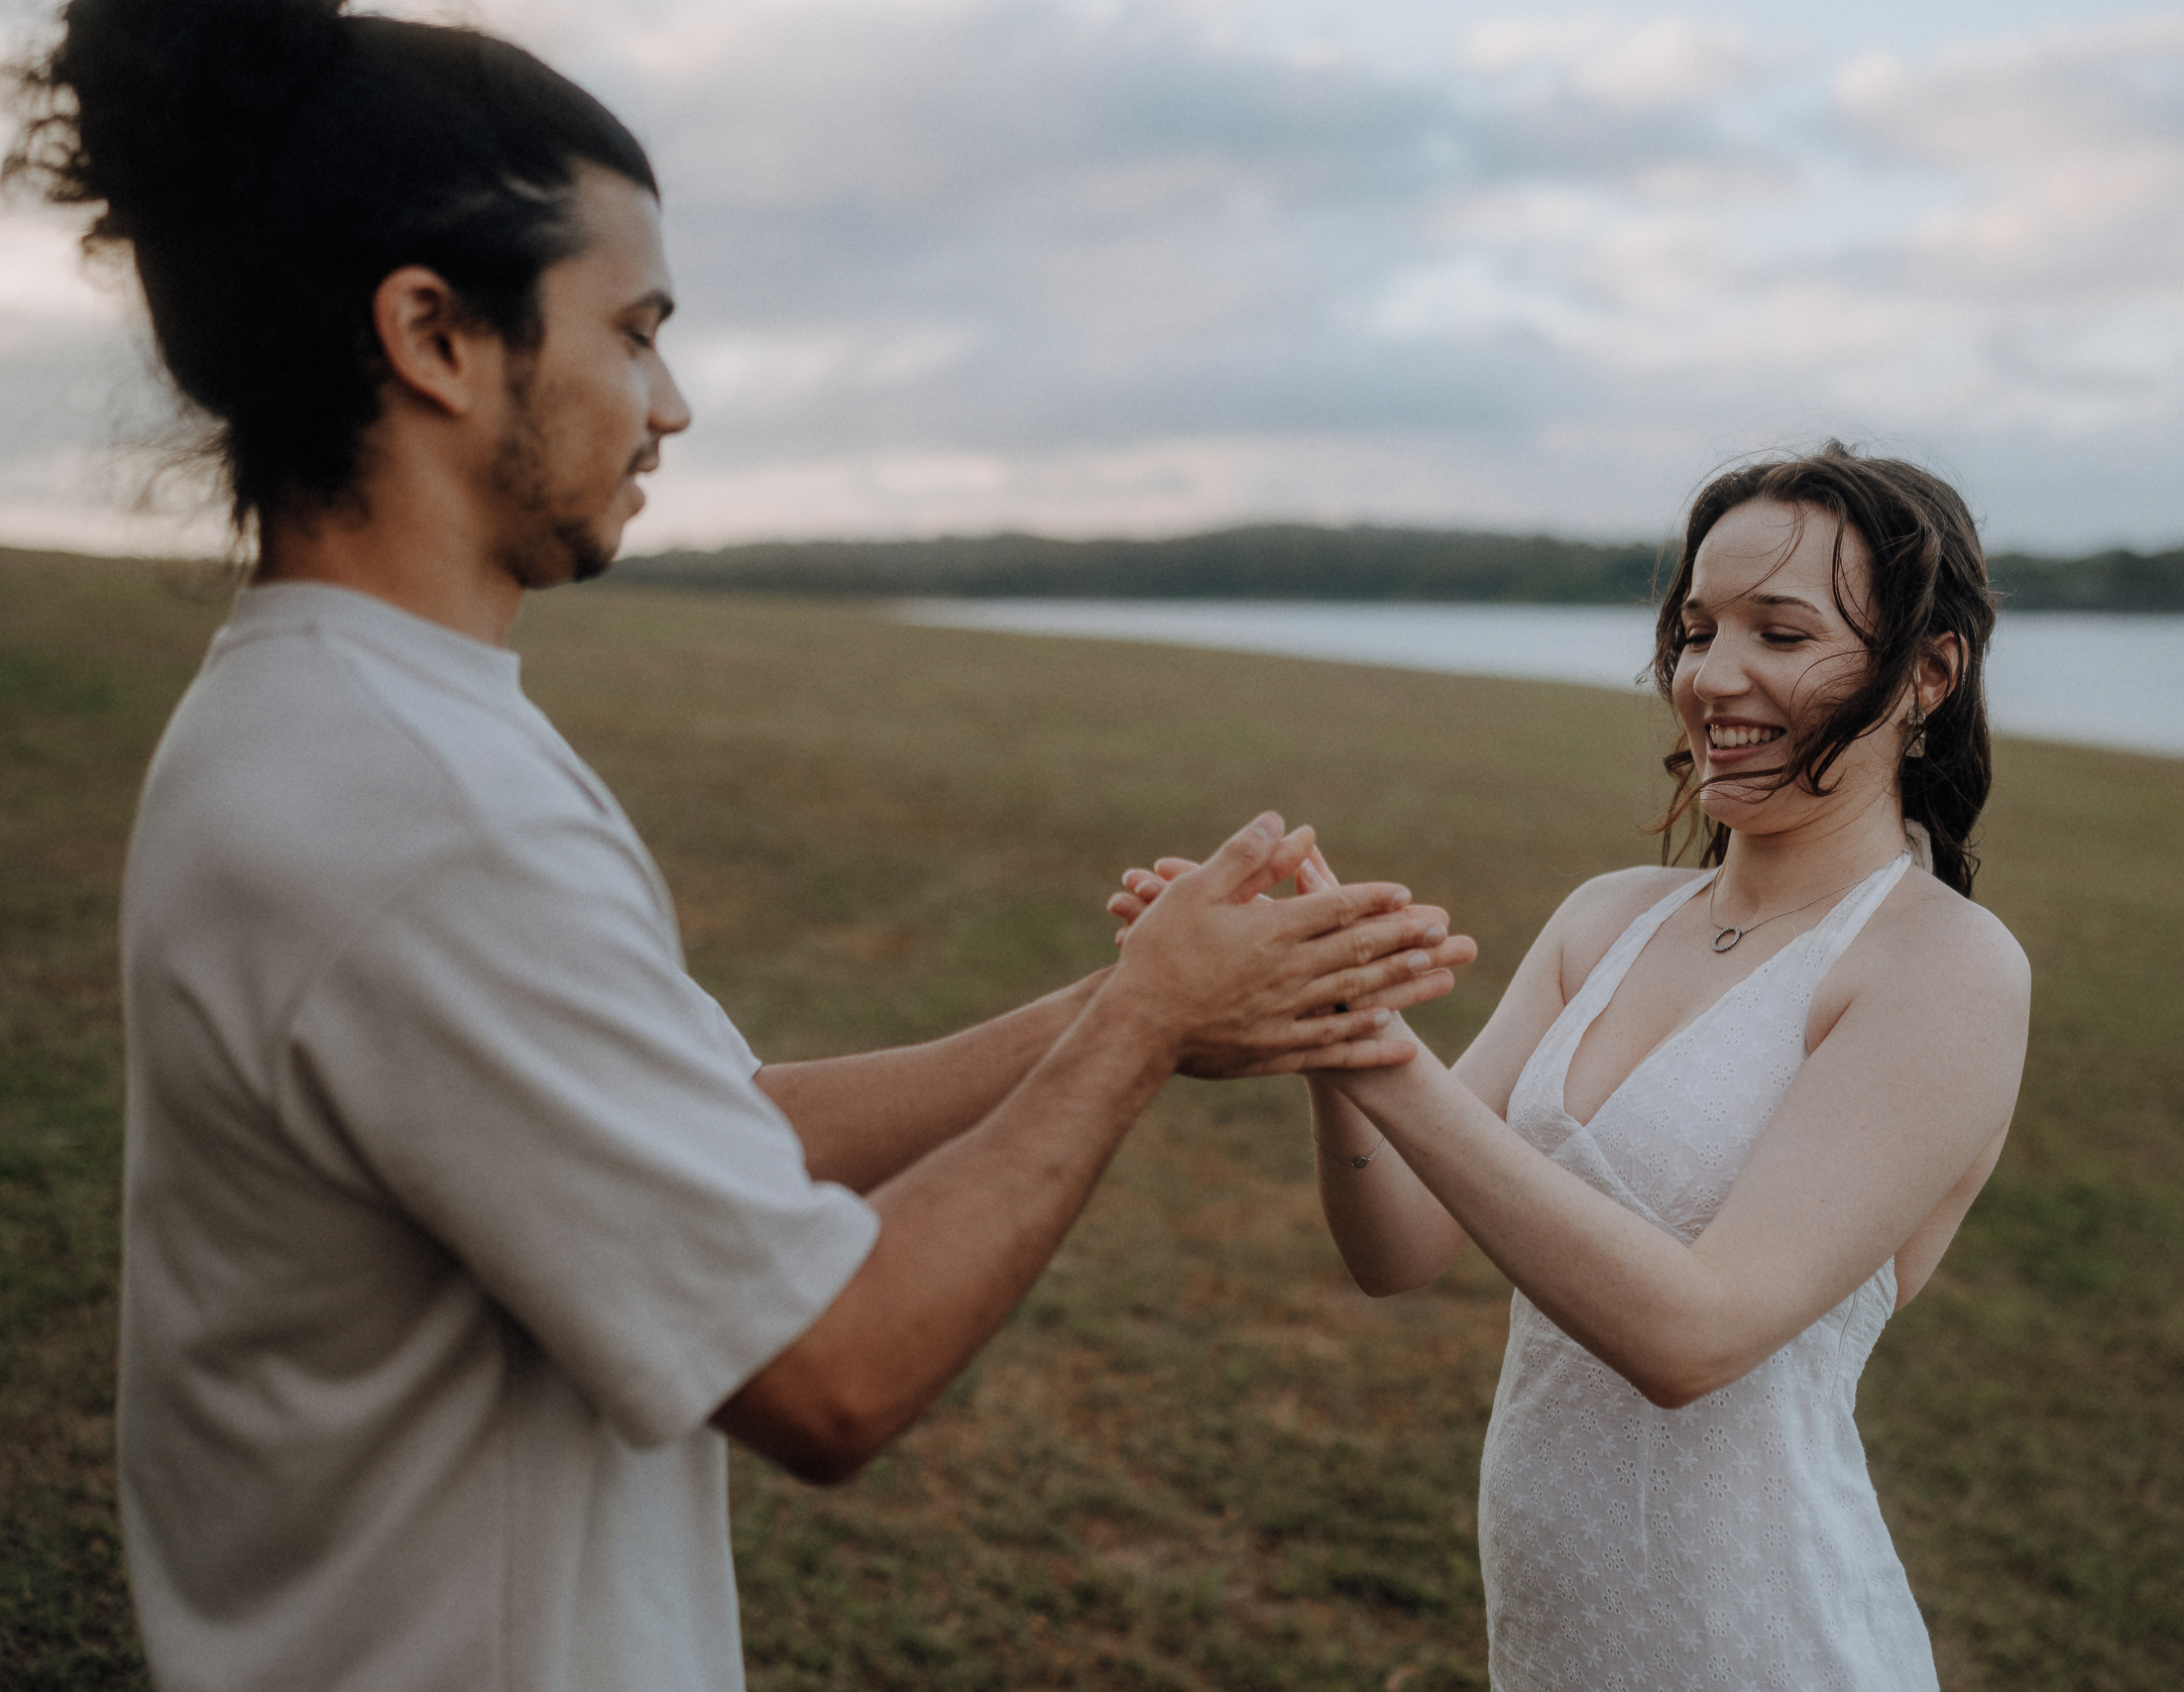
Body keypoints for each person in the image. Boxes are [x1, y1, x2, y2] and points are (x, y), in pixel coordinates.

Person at [9, 3, 1479, 1688]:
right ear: (433, 333)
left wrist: (1135, 991)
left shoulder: (350, 724)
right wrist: (1143, 1029)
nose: (674, 402)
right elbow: (829, 1371)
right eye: (633, 332)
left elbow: (723, 1130)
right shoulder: (418, 811)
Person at [1114, 444, 2031, 1687]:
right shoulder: (1609, 917)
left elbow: (1692, 1340)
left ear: (1924, 673)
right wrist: (1333, 1014)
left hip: (1766, 1642)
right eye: (1697, 629)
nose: (1713, 676)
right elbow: (1392, 1249)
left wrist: (1382, 1057)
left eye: (1780, 631)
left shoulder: (1944, 969)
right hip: (1558, 1645)